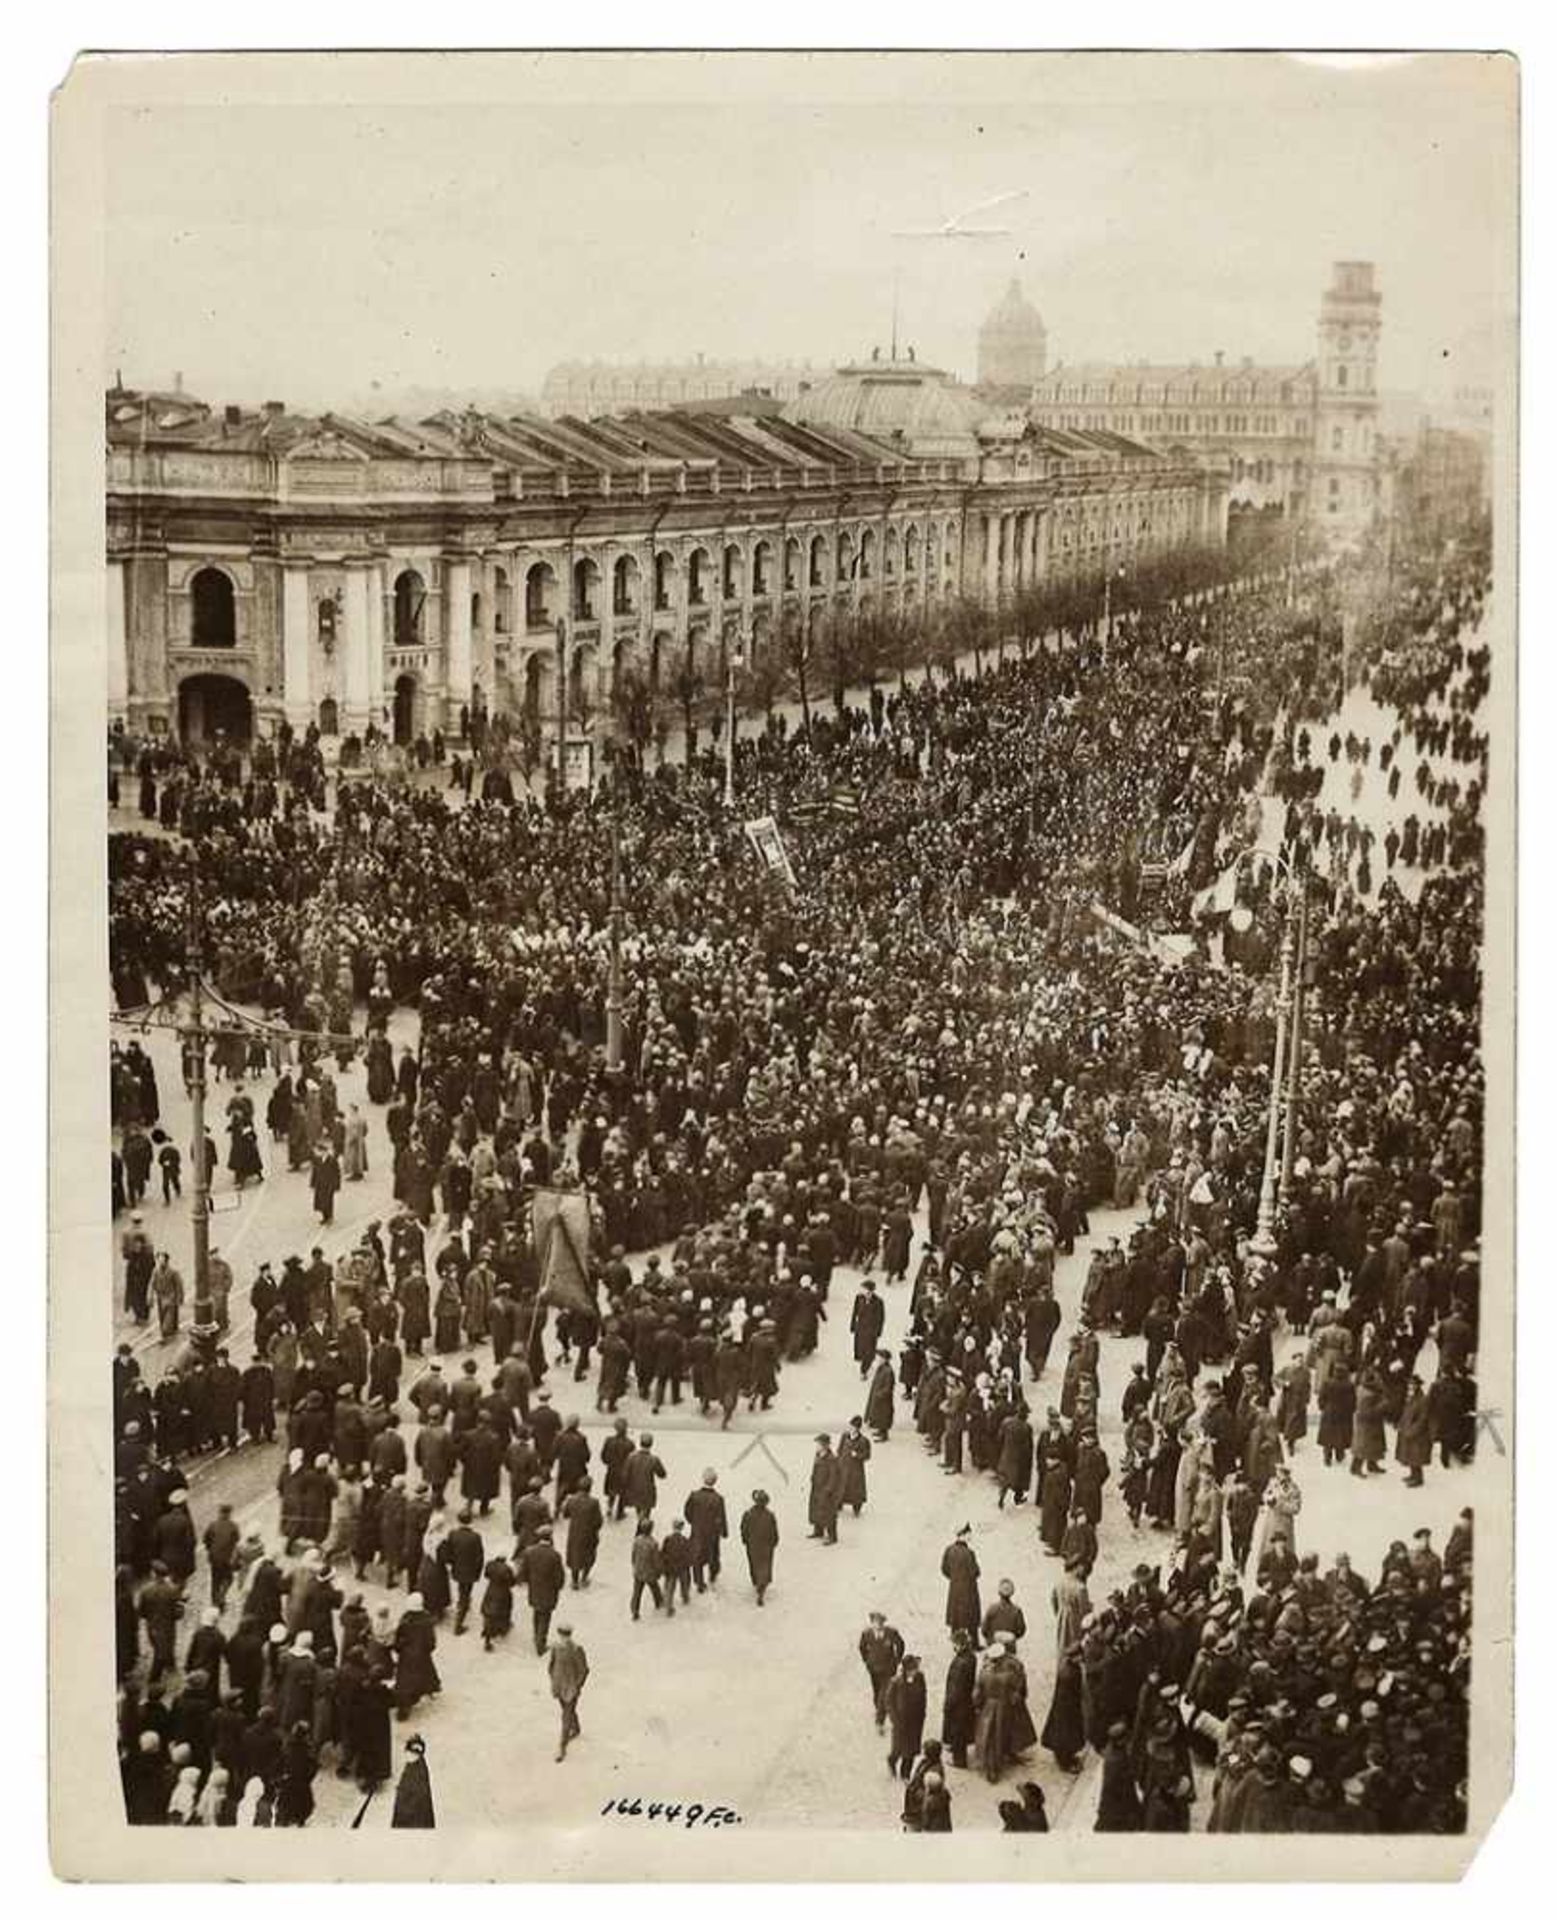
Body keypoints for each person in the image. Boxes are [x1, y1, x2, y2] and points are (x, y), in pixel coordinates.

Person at [548, 1624, 589, 1762]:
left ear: (570, 1635)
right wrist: (554, 1679)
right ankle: (576, 1728)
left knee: (565, 1715)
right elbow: (551, 1665)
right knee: (568, 1710)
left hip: (571, 1687)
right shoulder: (556, 1648)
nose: (563, 1638)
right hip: (559, 1686)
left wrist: (578, 1685)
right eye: (561, 1635)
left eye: (566, 1635)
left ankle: (562, 1747)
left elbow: (584, 1670)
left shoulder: (577, 1650)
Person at [859, 1612, 906, 1729]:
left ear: (883, 1623)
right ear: (872, 1623)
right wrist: (867, 1660)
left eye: (880, 1623)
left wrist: (897, 1659)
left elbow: (900, 1644)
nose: (878, 1625)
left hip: (888, 1668)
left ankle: (880, 1720)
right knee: (877, 1690)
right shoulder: (867, 1634)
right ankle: (879, 1708)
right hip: (874, 1668)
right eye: (875, 1623)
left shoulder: (891, 1633)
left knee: (885, 1692)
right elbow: (862, 1647)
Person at [740, 1489, 778, 1605]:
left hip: (753, 1545)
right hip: (766, 1546)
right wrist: (774, 1543)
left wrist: (745, 1540)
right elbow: (774, 1533)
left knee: (754, 1564)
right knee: (765, 1565)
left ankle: (756, 1581)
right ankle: (762, 1586)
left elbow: (743, 1529)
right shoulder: (770, 1516)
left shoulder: (748, 1514)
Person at [390, 1734, 435, 1827]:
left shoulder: (418, 1770)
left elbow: (420, 1795)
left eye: (414, 1752)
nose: (409, 1755)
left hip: (412, 1817)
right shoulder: (412, 1767)